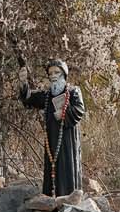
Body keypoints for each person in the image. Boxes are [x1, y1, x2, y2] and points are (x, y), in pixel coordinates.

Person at [19, 58, 85, 196]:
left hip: (68, 140)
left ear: (64, 74)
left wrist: (64, 113)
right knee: (53, 166)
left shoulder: (73, 91)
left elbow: (80, 110)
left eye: (57, 72)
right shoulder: (47, 95)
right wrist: (24, 83)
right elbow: (30, 99)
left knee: (67, 165)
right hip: (52, 139)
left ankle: (69, 197)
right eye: (51, 73)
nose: (53, 76)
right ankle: (52, 198)